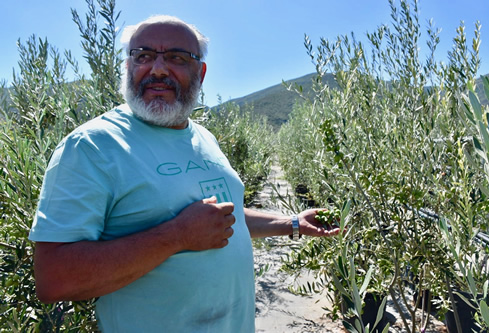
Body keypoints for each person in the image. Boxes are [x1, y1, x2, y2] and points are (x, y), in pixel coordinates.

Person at [29, 15, 339, 332]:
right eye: (144, 56)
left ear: (200, 73)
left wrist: (293, 224)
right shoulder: (93, 146)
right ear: (127, 68)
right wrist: (177, 236)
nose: (159, 69)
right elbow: (54, 278)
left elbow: (220, 217)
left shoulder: (204, 138)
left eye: (176, 57)